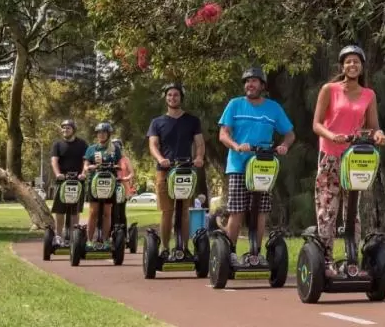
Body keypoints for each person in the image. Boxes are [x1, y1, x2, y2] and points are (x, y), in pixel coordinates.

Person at [312, 45, 385, 278]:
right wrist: (331, 135)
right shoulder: (330, 89)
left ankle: (351, 258)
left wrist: (379, 136)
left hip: (355, 157)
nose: (352, 65)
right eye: (348, 62)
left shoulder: (368, 95)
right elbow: (316, 124)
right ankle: (325, 260)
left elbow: (373, 126)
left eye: (356, 61)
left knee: (352, 210)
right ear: (342, 66)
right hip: (331, 156)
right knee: (328, 208)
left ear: (362, 66)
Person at [217, 67, 295, 265]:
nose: (249, 85)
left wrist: (284, 145)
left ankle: (255, 254)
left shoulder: (273, 108)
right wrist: (236, 146)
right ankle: (230, 254)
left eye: (254, 81)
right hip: (238, 165)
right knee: (237, 210)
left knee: (260, 210)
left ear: (262, 85)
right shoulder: (235, 105)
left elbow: (289, 133)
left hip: (263, 165)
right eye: (247, 81)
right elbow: (223, 134)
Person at [147, 83, 205, 255]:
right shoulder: (157, 122)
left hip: (185, 170)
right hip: (164, 170)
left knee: (184, 211)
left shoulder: (192, 120)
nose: (173, 98)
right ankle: (165, 248)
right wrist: (160, 159)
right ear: (166, 98)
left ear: (181, 98)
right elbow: (153, 145)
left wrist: (199, 157)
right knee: (167, 211)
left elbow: (200, 143)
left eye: (176, 95)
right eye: (170, 95)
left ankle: (184, 248)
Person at [82, 122, 121, 244]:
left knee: (107, 212)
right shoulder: (91, 149)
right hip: (95, 182)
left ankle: (104, 240)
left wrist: (115, 166)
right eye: (99, 132)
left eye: (104, 132)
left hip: (109, 183)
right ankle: (89, 240)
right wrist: (89, 167)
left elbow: (120, 164)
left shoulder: (115, 149)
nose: (102, 135)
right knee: (93, 212)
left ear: (108, 134)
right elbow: (86, 164)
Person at [49, 119, 87, 241]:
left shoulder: (82, 144)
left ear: (73, 130)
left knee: (75, 211)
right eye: (63, 128)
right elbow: (54, 161)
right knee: (60, 210)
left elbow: (86, 161)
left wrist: (83, 173)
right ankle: (58, 235)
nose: (65, 130)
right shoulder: (58, 144)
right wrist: (58, 174)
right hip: (62, 180)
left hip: (78, 180)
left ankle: (73, 235)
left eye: (68, 128)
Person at [110, 139, 135, 232]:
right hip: (110, 188)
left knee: (120, 211)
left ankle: (123, 234)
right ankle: (110, 232)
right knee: (111, 212)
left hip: (123, 187)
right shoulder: (109, 159)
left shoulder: (125, 159)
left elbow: (132, 173)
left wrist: (125, 178)